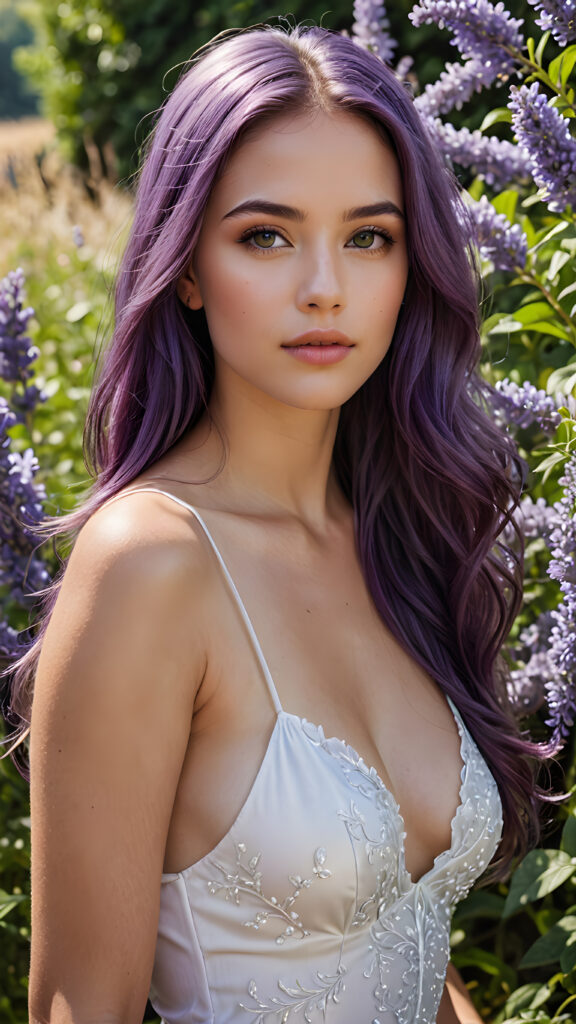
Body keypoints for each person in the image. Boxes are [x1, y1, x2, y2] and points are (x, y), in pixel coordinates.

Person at [6, 22, 544, 1024]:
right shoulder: (152, 562)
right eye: (267, 234)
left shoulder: (396, 536)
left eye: (368, 236)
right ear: (188, 266)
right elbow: (80, 1004)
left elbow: (406, 941)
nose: (324, 287)